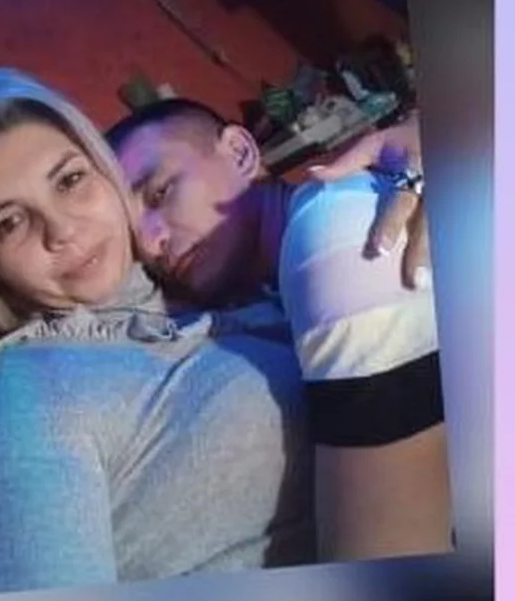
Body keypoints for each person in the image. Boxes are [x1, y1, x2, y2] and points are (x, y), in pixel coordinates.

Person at [0, 68, 315, 593]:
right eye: (8, 223)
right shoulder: (29, 390)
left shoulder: (210, 282)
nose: (62, 230)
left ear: (107, 175)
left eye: (69, 180)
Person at [107, 99, 450, 562]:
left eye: (160, 192)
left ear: (241, 153)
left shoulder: (336, 247)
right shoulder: (275, 281)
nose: (152, 244)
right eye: (134, 239)